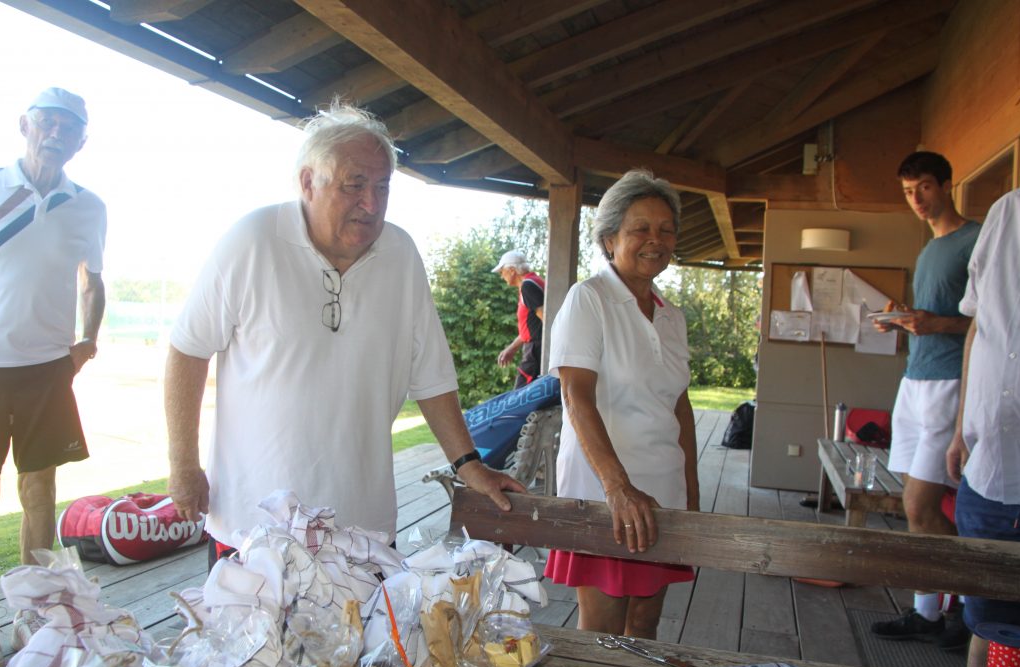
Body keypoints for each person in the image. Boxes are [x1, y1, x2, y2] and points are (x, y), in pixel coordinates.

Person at [165, 101, 524, 566]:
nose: (371, 203)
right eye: (354, 184)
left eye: (382, 186)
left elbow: (431, 377)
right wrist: (183, 464)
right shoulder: (252, 241)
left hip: (363, 528)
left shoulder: (401, 255)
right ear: (307, 182)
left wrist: (468, 465)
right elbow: (188, 351)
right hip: (254, 529)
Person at [543, 169, 700, 639]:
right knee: (603, 635)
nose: (656, 240)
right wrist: (617, 488)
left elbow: (679, 407)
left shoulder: (672, 317)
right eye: (641, 229)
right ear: (609, 239)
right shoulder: (588, 299)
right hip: (605, 495)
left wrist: (691, 492)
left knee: (645, 627)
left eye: (666, 230)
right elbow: (576, 397)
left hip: (663, 492)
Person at [870, 152, 978, 651]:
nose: (916, 199)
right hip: (913, 380)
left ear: (948, 185)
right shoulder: (931, 247)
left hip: (950, 383)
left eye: (925, 188)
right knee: (913, 510)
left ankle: (975, 607)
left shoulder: (975, 240)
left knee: (920, 504)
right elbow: (934, 317)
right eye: (908, 191)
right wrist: (902, 318)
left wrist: (937, 323)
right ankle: (927, 612)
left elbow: (991, 318)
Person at [0, 88, 105, 566]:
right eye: (48, 122)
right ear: (25, 125)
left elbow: (92, 281)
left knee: (40, 487)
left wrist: (88, 342)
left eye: (70, 128)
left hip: (46, 370)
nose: (57, 133)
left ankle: (35, 596)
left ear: (81, 142)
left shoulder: (89, 206)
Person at [945, 188, 1020, 667]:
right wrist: (961, 431)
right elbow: (978, 327)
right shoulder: (1009, 211)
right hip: (991, 469)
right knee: (987, 624)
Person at [493, 250, 545, 388]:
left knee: (521, 395)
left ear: (512, 270)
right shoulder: (533, 282)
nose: (501, 276)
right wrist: (511, 348)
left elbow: (547, 320)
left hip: (536, 352)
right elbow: (532, 327)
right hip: (535, 349)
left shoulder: (528, 286)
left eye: (502, 271)